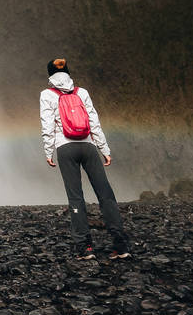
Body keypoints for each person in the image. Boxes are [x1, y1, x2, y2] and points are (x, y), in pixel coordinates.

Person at [41, 58, 130, 259]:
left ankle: (85, 248)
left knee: (76, 197)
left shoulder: (46, 95)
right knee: (106, 195)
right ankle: (121, 246)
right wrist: (104, 149)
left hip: (65, 148)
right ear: (69, 73)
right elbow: (94, 122)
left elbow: (47, 126)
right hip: (88, 146)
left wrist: (48, 152)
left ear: (49, 75)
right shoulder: (82, 92)